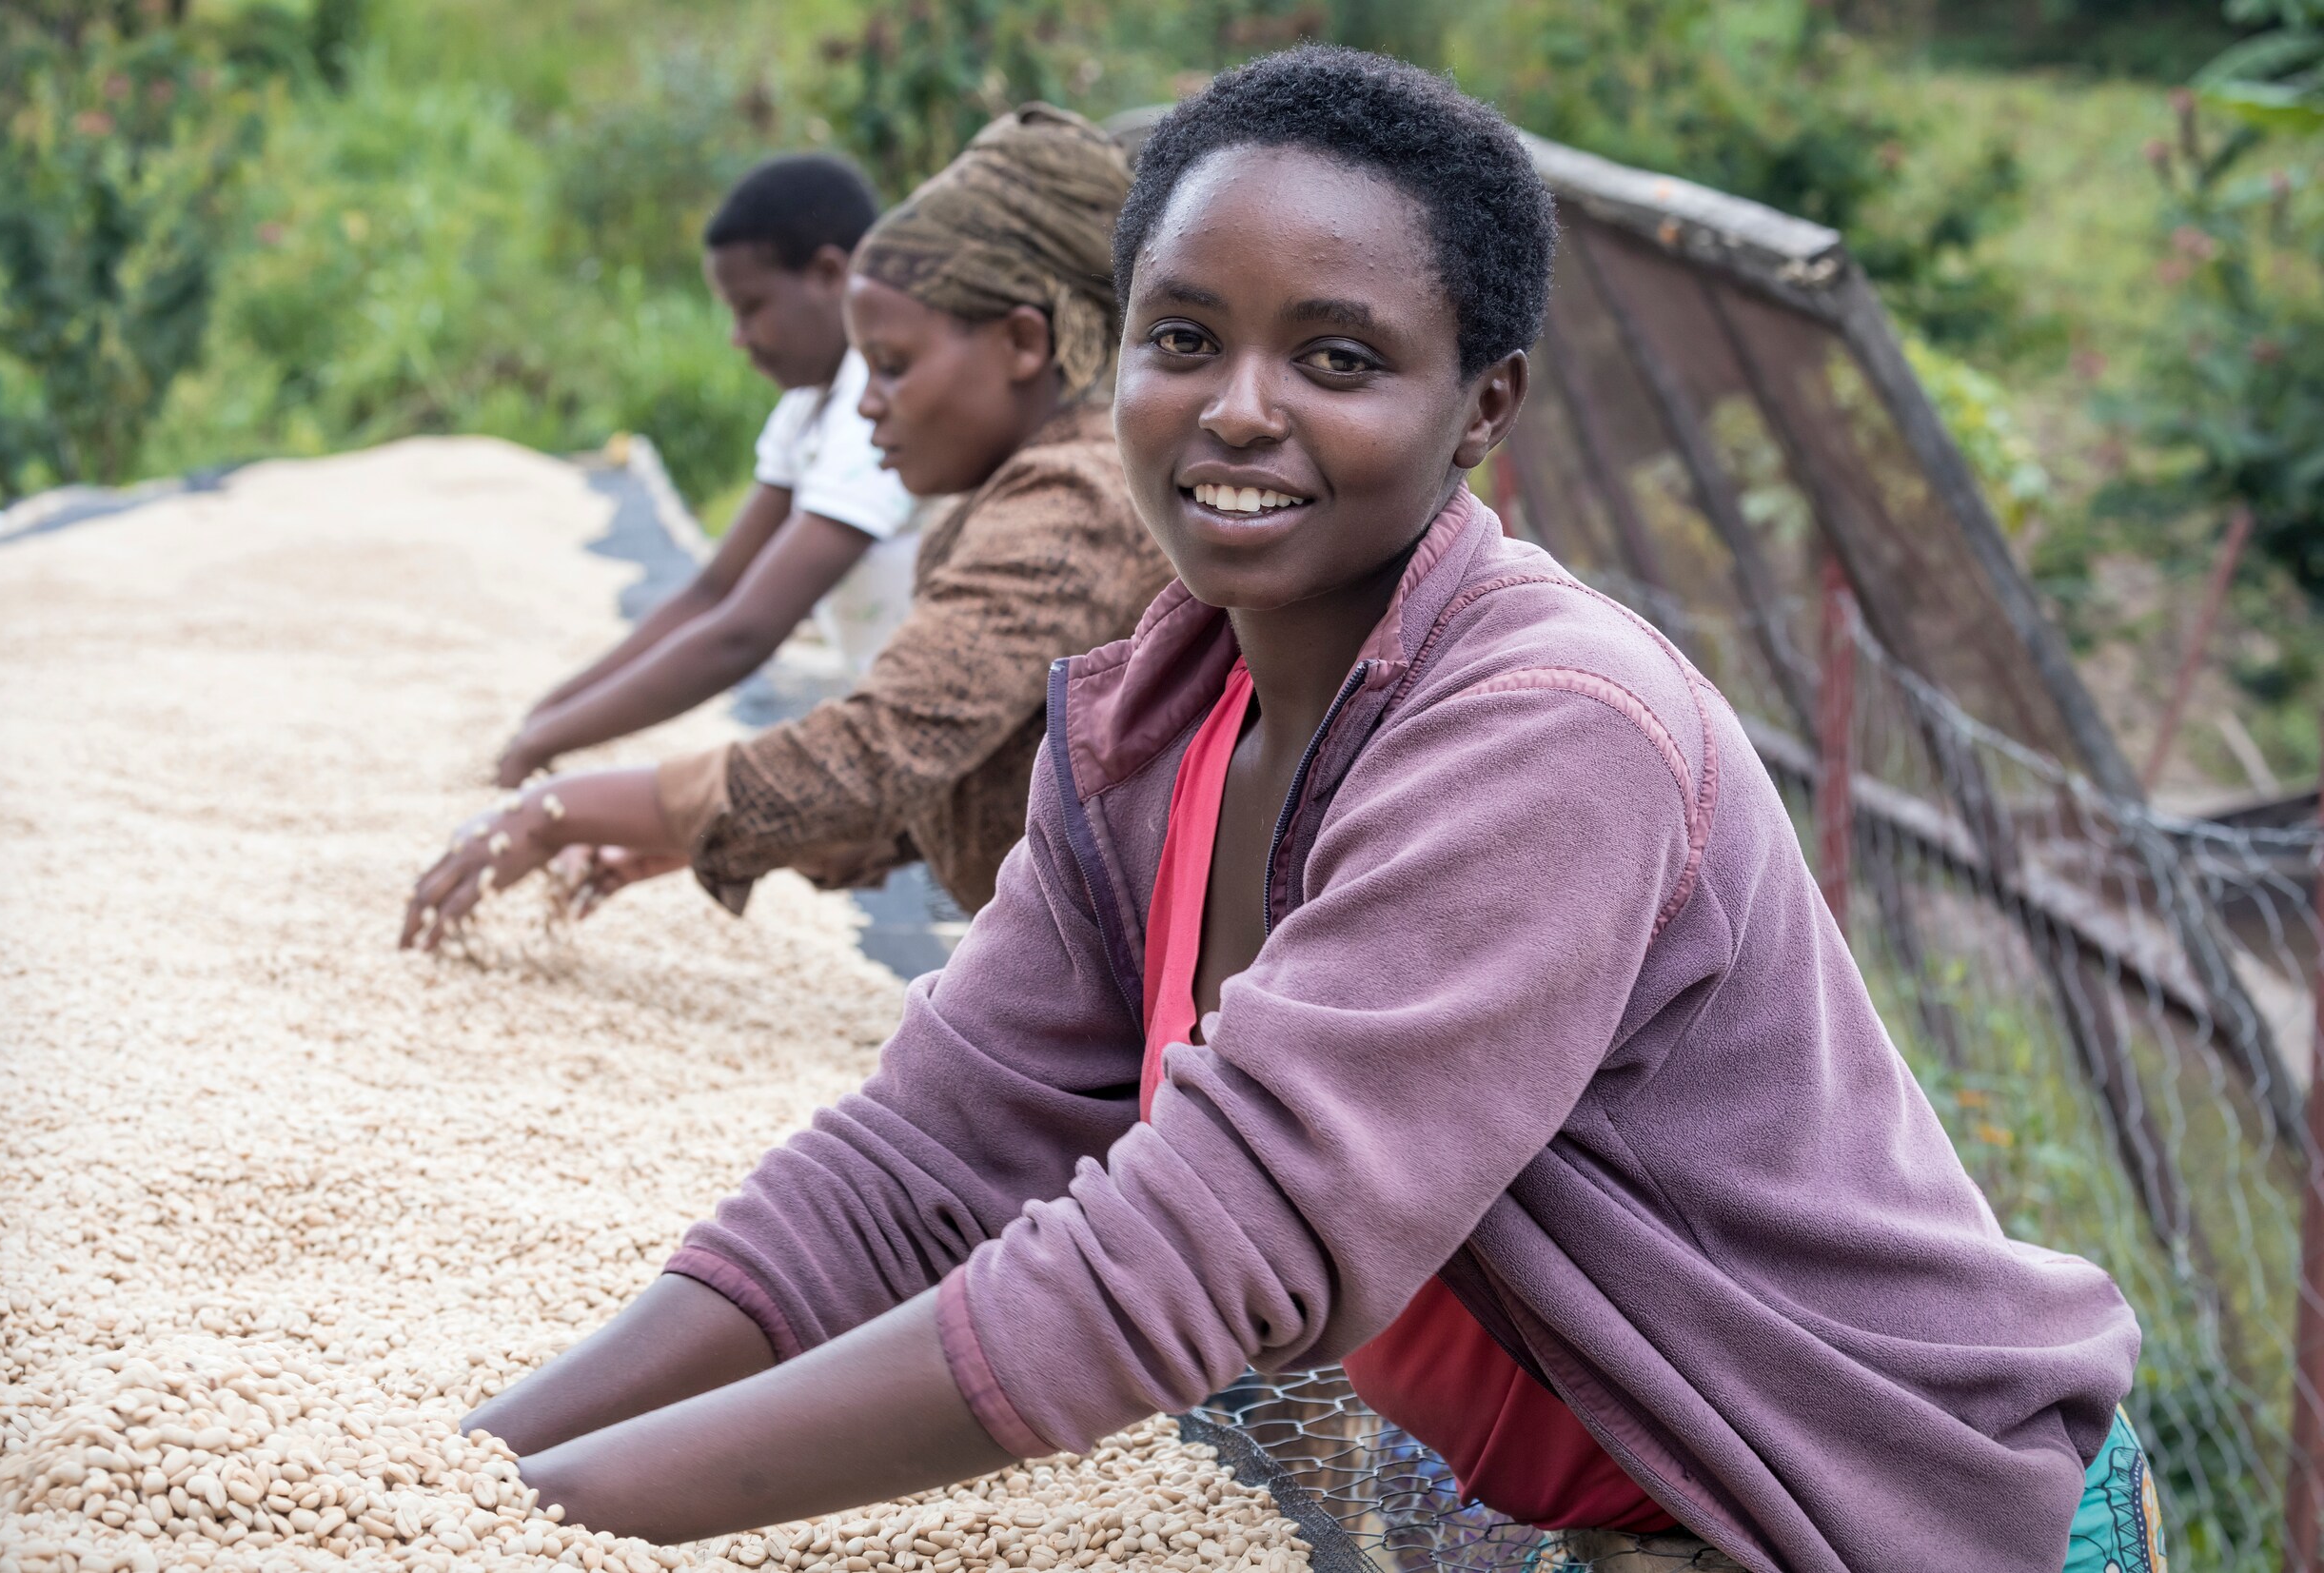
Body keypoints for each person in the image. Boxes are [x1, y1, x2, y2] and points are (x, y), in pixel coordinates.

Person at [445, 49, 2157, 1573]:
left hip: (1877, 1495)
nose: (1239, 405)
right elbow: (921, 1158)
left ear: (1483, 405)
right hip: (1604, 1494)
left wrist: (576, 1517)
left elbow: (1202, 1239)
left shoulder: (1551, 731)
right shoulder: (1153, 721)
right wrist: (476, 1464)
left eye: (1338, 355)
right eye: (1185, 338)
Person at [403, 105, 1171, 944]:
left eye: (893, 367)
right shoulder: (1053, 480)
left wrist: (554, 809)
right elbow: (990, 768)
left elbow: (878, 751)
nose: (869, 403)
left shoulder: (1074, 498)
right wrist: (721, 831)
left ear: (1024, 343)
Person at [491, 153, 919, 792]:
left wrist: (550, 740)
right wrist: (549, 713)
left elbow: (745, 631)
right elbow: (713, 590)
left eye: (750, 308)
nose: (738, 337)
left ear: (830, 274)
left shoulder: (875, 405)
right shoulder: (807, 407)